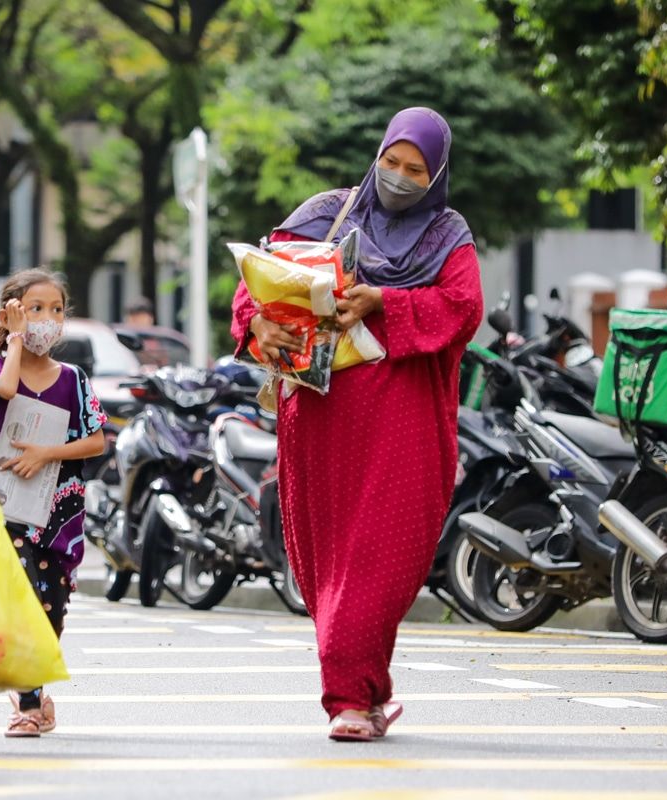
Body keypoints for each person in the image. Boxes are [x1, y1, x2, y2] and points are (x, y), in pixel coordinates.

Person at [230, 107, 483, 741]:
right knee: (326, 562)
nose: (399, 176)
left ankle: (348, 698)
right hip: (319, 419)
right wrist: (257, 324)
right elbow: (258, 282)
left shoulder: (447, 234)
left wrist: (384, 301)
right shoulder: (327, 212)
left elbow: (462, 306)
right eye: (391, 162)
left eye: (416, 169)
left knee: (381, 560)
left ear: (437, 174)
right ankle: (363, 694)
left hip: (403, 425)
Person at [0, 268, 106, 738]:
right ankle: (28, 705)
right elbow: (4, 391)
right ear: (10, 314)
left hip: (59, 513)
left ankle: (35, 692)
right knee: (24, 598)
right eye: (35, 309)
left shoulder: (73, 379)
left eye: (56, 309)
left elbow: (95, 440)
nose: (47, 319)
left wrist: (46, 453)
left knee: (51, 608)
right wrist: (14, 340)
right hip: (8, 509)